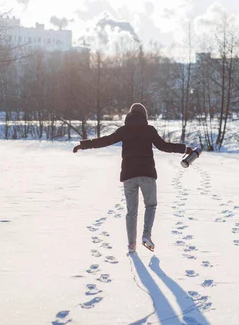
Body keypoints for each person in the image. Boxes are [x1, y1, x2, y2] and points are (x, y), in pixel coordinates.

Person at [73, 103, 193, 253]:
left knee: (132, 211)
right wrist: (184, 148)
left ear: (130, 115)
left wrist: (83, 145)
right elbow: (164, 146)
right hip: (147, 174)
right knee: (151, 206)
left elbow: (105, 141)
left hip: (129, 176)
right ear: (145, 116)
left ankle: (131, 245)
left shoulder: (124, 130)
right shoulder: (149, 130)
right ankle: (146, 235)